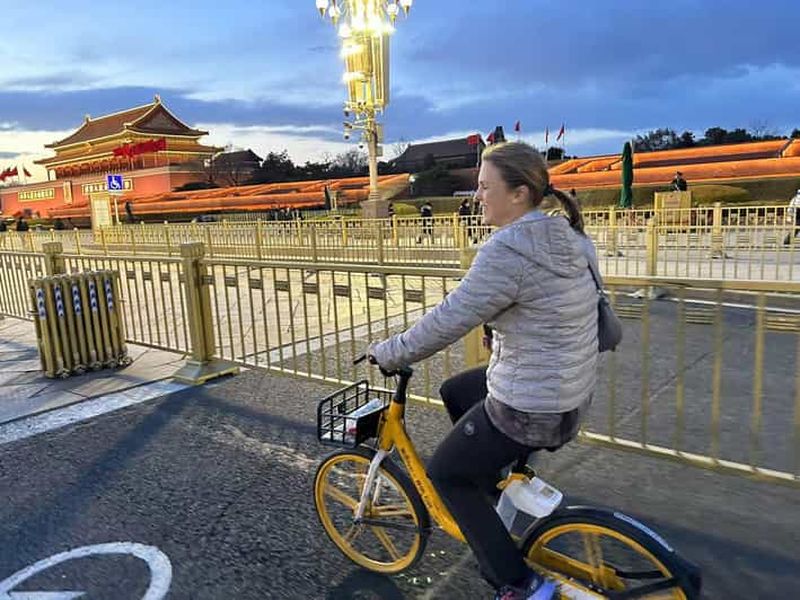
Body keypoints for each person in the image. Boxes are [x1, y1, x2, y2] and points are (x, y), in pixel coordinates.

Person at [368, 141, 599, 600]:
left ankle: (518, 584)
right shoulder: (570, 236)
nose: (477, 196)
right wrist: (508, 328)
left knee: (446, 474)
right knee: (457, 389)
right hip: (571, 390)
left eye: (484, 186)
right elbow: (568, 304)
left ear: (518, 194)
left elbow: (449, 319)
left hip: (532, 404)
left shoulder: (508, 249)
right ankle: (496, 492)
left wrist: (391, 352)